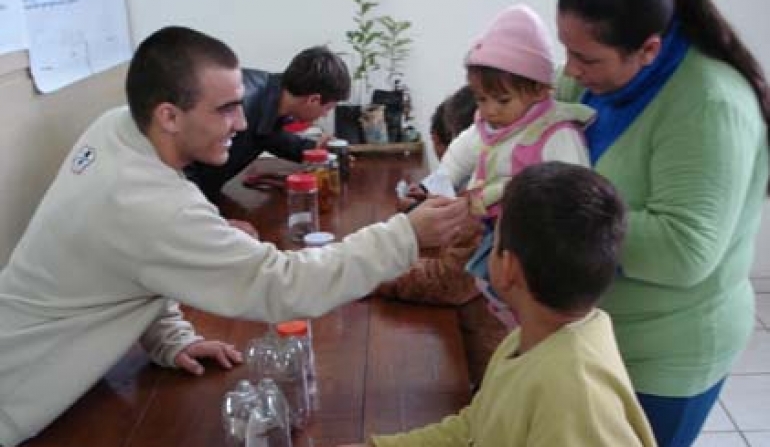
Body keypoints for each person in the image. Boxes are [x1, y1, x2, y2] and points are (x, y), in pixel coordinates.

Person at [0, 26, 468, 447]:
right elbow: (284, 286)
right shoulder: (151, 205)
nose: (243, 124)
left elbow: (127, 263)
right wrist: (406, 235)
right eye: (225, 109)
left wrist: (170, 337)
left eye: (239, 103)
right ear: (169, 115)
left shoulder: (117, 128)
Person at [554, 0, 770, 445]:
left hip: (668, 350)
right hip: (596, 329)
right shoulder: (588, 81)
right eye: (567, 51)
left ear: (649, 49)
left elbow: (683, 249)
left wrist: (551, 214)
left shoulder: (710, 104)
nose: (571, 70)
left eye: (587, 58)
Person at [342, 162, 656, 446]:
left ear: (508, 269)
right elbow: (473, 429)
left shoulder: (575, 397)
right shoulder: (525, 341)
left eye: (493, 238)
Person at [426, 5, 595, 304]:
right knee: (489, 288)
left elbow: (573, 194)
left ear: (540, 91)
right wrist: (436, 184)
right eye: (481, 99)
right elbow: (460, 154)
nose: (489, 109)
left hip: (533, 243)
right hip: (491, 229)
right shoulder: (489, 124)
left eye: (502, 100)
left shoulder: (555, 133)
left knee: (520, 297)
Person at [379, 86, 507, 387]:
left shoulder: (487, 200)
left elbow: (448, 281)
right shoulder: (480, 182)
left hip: (488, 358)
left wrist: (373, 272)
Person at [184, 45, 350, 202]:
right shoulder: (240, 103)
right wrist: (209, 216)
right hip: (184, 204)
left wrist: (313, 150)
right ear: (314, 100)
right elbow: (185, 158)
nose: (326, 114)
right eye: (329, 107)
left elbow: (268, 136)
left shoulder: (273, 94)